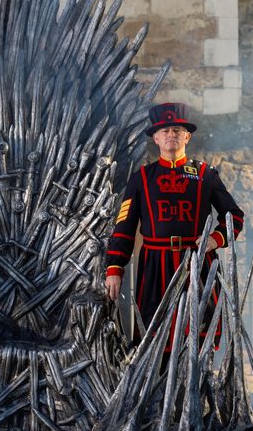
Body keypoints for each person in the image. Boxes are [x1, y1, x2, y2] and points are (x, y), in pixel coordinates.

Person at [104, 102, 244, 335]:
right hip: (154, 268)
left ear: (187, 137)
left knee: (199, 339)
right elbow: (124, 227)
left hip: (196, 265)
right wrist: (115, 267)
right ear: (156, 138)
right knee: (155, 337)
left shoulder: (205, 175)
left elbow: (234, 216)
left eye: (177, 131)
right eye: (165, 131)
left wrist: (215, 239)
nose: (171, 135)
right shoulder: (141, 179)